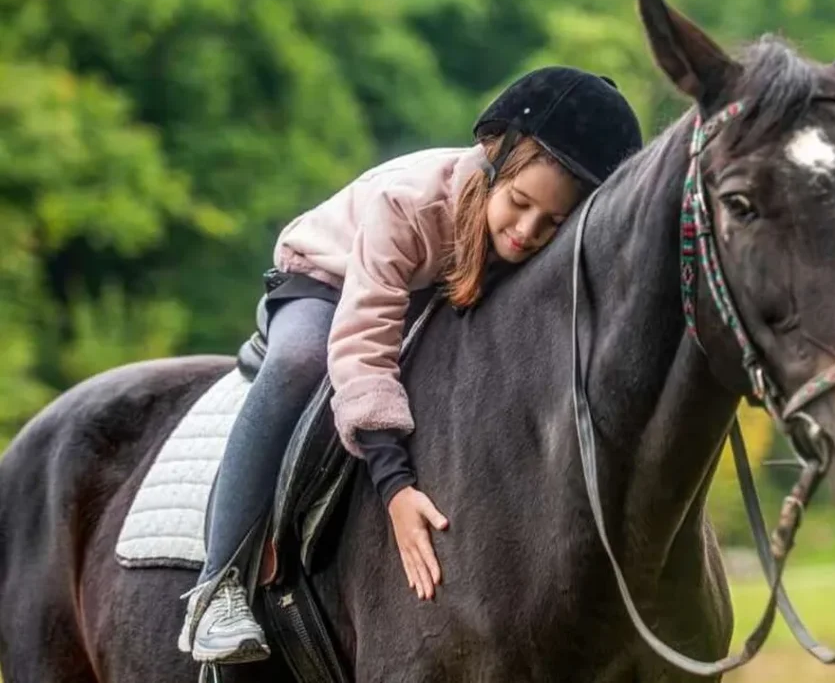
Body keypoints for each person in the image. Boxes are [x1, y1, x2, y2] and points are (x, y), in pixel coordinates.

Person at [177, 66, 643, 664]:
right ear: (492, 162)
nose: (527, 232)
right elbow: (363, 341)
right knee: (299, 361)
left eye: (552, 222)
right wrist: (395, 487)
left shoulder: (524, 236)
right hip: (332, 279)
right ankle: (217, 586)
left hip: (434, 283)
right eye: (520, 204)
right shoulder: (411, 205)